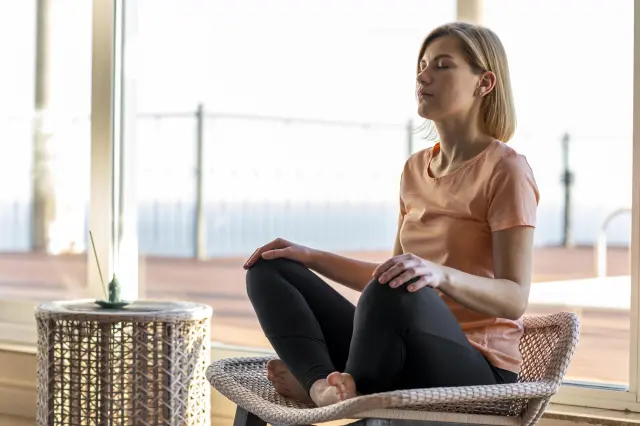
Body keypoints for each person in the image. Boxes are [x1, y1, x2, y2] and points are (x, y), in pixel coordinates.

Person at [243, 21, 539, 408]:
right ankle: (320, 386)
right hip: (399, 347)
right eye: (422, 65)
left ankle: (346, 388)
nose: (423, 76)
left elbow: (514, 297)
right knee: (270, 267)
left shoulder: (507, 170)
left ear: (484, 83)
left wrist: (439, 274)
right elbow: (388, 279)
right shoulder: (415, 170)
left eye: (442, 65)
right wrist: (310, 257)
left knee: (398, 285)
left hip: (476, 367)